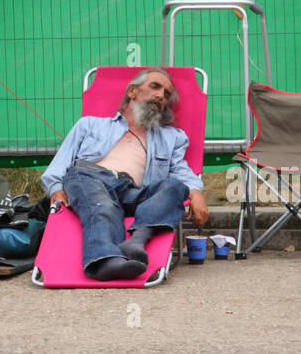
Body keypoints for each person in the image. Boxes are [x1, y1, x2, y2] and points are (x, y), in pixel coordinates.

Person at [41, 68, 210, 281]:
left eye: (167, 94)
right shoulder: (91, 124)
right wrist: (56, 189)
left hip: (132, 192)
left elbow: (181, 172)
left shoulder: (172, 138)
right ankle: (104, 261)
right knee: (104, 206)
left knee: (176, 188)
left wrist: (195, 192)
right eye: (155, 87)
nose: (160, 96)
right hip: (89, 177)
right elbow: (60, 162)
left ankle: (137, 240)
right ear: (132, 91)